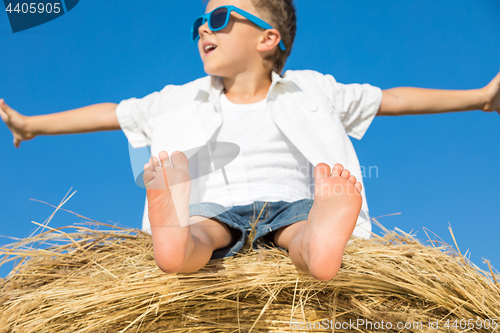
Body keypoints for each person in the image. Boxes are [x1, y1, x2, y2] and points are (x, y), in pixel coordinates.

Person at [1, 0, 499, 282]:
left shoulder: (314, 88)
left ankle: (322, 242)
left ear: (268, 39)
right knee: (196, 235)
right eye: (199, 24)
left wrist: (479, 96)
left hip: (299, 203)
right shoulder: (178, 98)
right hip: (211, 202)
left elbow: (392, 99)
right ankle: (172, 240)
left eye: (218, 19)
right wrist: (31, 124)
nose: (203, 30)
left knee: (303, 235)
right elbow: (110, 113)